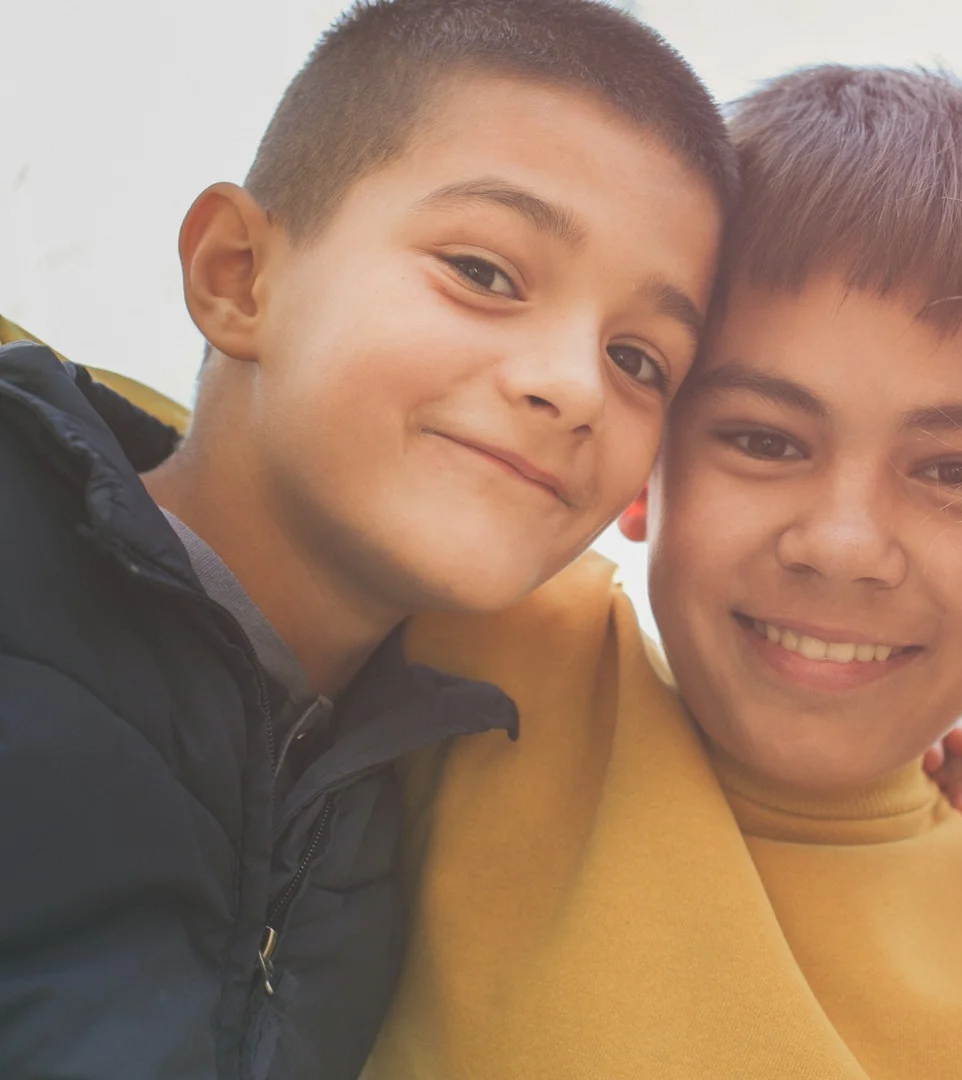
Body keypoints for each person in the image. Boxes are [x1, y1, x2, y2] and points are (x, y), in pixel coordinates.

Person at [362, 65, 962, 1080]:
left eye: (954, 471)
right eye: (763, 440)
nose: (843, 543)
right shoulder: (482, 664)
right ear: (639, 459)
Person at [0, 2, 732, 1076]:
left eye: (639, 359)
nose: (575, 386)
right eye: (485, 273)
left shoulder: (432, 777)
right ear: (238, 276)